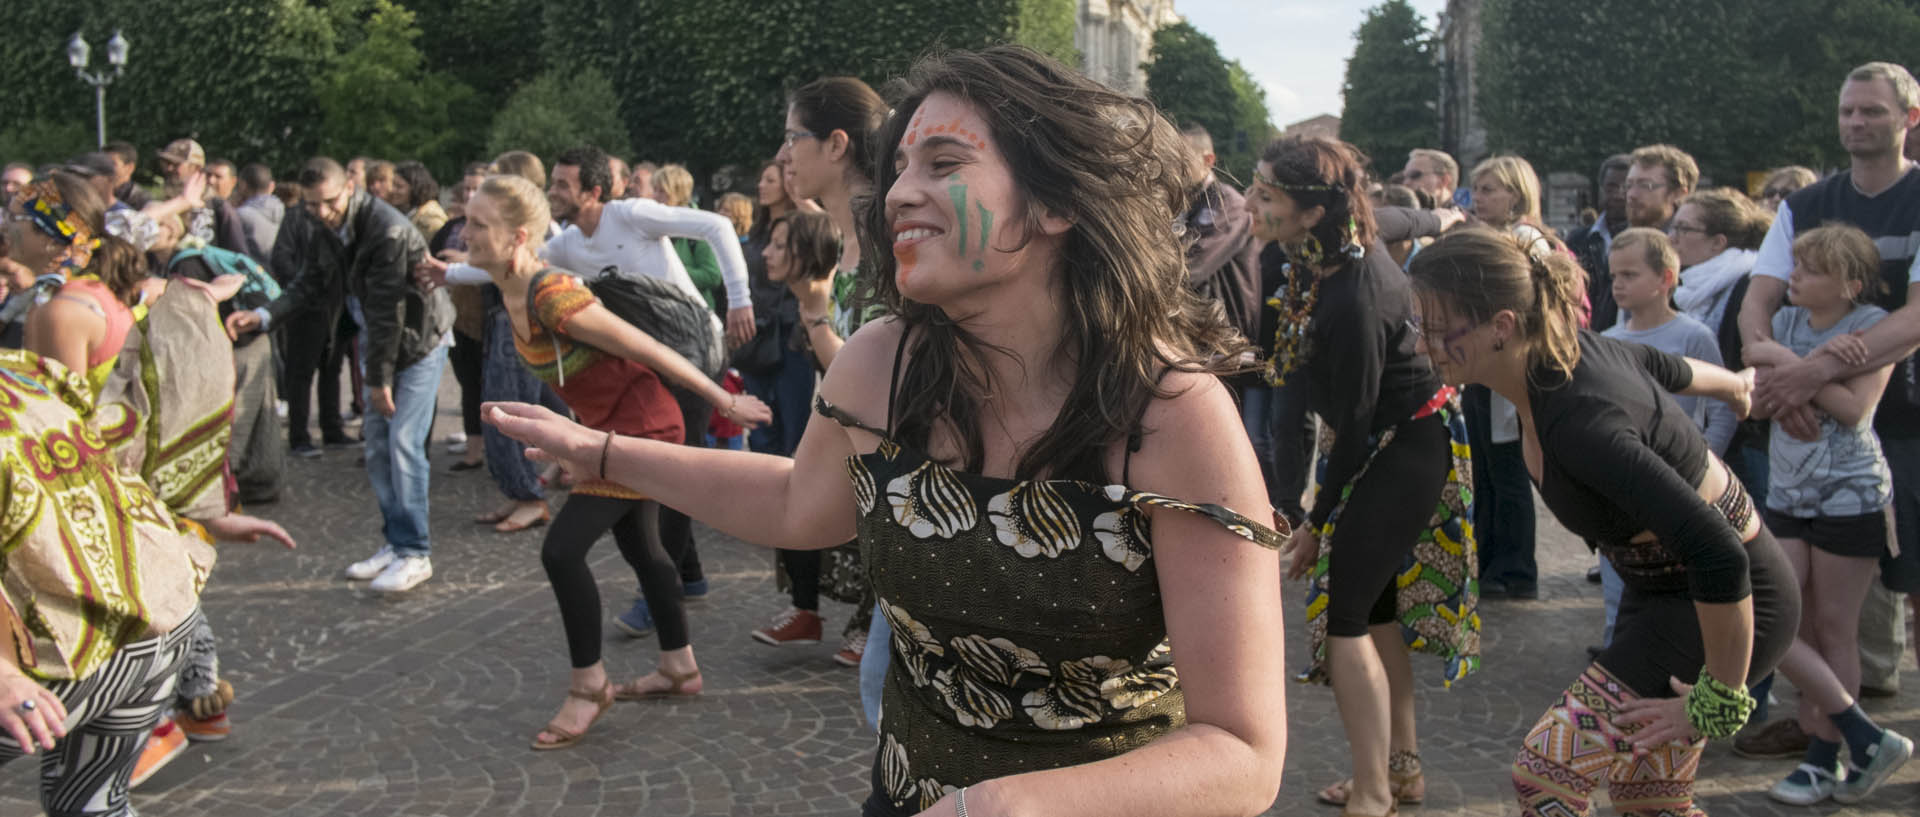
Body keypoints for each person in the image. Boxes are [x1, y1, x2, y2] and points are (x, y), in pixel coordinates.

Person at [487, 45, 1288, 817]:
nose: (900, 192)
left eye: (944, 164)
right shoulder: (881, 364)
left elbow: (1244, 750)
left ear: (1056, 203)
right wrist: (604, 453)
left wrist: (1009, 805)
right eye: (901, 166)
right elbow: (801, 504)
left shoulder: (1173, 415)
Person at [1407, 227, 1797, 817]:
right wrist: (1735, 386)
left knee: (1547, 777)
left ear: (1502, 326)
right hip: (1662, 594)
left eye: (1436, 331)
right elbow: (1665, 367)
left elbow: (1720, 554)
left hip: (1728, 609)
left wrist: (1718, 697)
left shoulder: (1583, 421)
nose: (1421, 347)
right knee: (1650, 800)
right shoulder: (1568, 353)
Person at [458, 173, 768, 750]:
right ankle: (679, 666)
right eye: (467, 220)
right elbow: (465, 268)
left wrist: (725, 399)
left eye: (478, 225)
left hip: (645, 426)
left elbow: (644, 347)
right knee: (644, 549)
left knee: (562, 548)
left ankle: (589, 686)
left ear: (518, 236)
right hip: (609, 426)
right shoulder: (506, 284)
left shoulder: (551, 295)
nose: (466, 232)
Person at [1251, 135, 1476, 817]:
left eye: (1265, 195)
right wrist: (1445, 219)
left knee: (1348, 615)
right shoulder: (1325, 241)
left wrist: (1316, 523)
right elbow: (1400, 219)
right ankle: (1399, 769)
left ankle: (1374, 792)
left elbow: (1350, 428)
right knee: (1375, 614)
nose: (1251, 204)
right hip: (1379, 439)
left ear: (1312, 212)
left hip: (1402, 444)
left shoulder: (1354, 298)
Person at [0, 349, 292, 817]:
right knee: (93, 805)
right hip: (159, 624)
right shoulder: (26, 369)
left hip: (67, 655)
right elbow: (117, 444)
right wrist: (206, 514)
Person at [1740, 61, 1920, 717]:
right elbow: (1755, 309)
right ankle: (1827, 730)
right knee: (1811, 606)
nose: (1856, 121)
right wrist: (1787, 381)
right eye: (1848, 110)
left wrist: (1810, 374)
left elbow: (1914, 317)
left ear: (1909, 119)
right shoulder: (1806, 205)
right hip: (1811, 425)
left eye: (1871, 110)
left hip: (1906, 424)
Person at [1739, 224, 1913, 802]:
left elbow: (1853, 408)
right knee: (1782, 618)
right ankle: (1862, 737)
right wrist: (1802, 365)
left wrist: (1787, 367)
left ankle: (1824, 756)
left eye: (1811, 271)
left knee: (1835, 628)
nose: (1795, 277)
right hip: (1790, 494)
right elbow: (1758, 396)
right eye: (1796, 265)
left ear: (1850, 283)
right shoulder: (1785, 323)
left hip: (1851, 495)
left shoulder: (1868, 329)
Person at [227, 157, 454, 593]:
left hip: (419, 341)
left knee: (404, 443)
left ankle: (415, 553)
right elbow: (307, 284)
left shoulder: (385, 228)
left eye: (329, 203)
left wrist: (377, 380)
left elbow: (392, 310)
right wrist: (262, 315)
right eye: (313, 205)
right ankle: (396, 542)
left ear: (349, 187)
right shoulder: (318, 224)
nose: (322, 213)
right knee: (377, 450)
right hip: (380, 342)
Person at [756, 76, 891, 675]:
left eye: (793, 137)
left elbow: (877, 383)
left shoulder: (892, 237)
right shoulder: (848, 241)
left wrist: (814, 318)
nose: (784, 154)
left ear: (836, 144)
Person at [1598, 228, 1738, 652]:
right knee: (1618, 587)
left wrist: (1706, 462)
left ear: (1666, 279)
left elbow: (1725, 404)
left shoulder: (1693, 337)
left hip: (1683, 481)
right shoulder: (1607, 341)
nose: (1618, 284)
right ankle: (1619, 658)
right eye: (1614, 275)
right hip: (1624, 486)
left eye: (1630, 274)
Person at [1464, 155, 1549, 599]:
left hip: (1507, 369)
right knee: (1486, 470)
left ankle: (1516, 568)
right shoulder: (1491, 236)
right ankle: (1490, 557)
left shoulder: (1526, 241)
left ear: (1515, 195)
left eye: (1489, 190)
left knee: (1508, 471)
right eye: (1476, 189)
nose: (1479, 198)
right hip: (1481, 368)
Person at [1566, 154, 1633, 332]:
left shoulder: (1646, 241)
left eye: (1625, 187)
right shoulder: (1577, 240)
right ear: (1601, 188)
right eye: (1611, 187)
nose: (1618, 195)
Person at [154, 139, 250, 257]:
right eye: (166, 163)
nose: (169, 169)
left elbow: (238, 256)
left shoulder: (216, 205)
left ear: (196, 168)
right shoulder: (161, 203)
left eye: (176, 164)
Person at [234, 163, 284, 268]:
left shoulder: (240, 215)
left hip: (253, 275)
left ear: (242, 184)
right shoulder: (286, 211)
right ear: (271, 186)